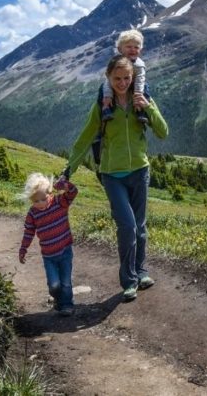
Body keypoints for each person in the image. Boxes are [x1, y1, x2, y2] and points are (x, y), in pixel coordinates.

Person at [67, 55, 168, 301]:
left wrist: (148, 106)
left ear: (133, 78)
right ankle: (129, 280)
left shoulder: (141, 100)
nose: (122, 83)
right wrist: (68, 171)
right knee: (128, 227)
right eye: (117, 78)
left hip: (140, 171)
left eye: (126, 78)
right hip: (112, 175)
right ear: (108, 78)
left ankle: (142, 271)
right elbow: (85, 138)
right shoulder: (103, 106)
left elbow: (163, 132)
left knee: (140, 228)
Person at [19, 172, 79, 316]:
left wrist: (65, 185)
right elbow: (29, 231)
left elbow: (73, 192)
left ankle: (67, 305)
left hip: (65, 251)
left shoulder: (59, 202)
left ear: (49, 193)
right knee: (54, 285)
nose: (40, 203)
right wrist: (23, 248)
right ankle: (58, 299)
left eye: (43, 199)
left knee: (65, 282)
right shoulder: (33, 213)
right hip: (49, 256)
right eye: (35, 201)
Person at [101, 29, 149, 125]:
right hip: (119, 86)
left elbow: (140, 80)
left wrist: (138, 95)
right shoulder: (116, 63)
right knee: (102, 89)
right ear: (120, 49)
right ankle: (106, 109)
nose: (133, 49)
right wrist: (108, 96)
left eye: (136, 47)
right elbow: (108, 81)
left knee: (146, 87)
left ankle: (141, 112)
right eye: (129, 47)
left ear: (140, 50)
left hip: (134, 86)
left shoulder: (139, 65)